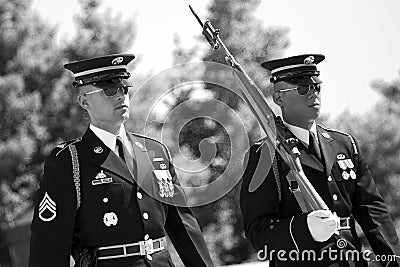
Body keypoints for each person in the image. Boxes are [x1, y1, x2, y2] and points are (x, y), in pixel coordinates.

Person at [29, 54, 214, 267]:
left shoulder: (156, 152)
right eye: (109, 90)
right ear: (84, 101)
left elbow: (183, 226)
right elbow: (48, 247)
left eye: (124, 88)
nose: (120, 95)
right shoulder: (70, 162)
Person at [240, 54, 400, 266]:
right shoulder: (265, 154)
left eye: (317, 87)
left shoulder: (345, 144)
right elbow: (258, 232)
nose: (313, 94)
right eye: (303, 89)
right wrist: (304, 229)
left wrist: (392, 258)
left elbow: (372, 211)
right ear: (279, 98)